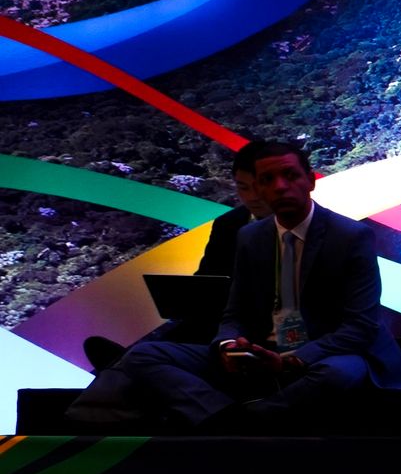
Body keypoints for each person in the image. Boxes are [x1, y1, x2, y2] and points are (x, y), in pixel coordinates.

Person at [69, 136, 401, 429]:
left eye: (290, 176)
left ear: (310, 180)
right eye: (267, 180)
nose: (279, 187)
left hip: (322, 354)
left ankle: (241, 421)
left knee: (340, 374)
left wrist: (292, 360)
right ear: (258, 188)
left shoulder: (351, 236)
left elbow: (360, 328)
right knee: (145, 355)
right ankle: (222, 417)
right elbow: (234, 313)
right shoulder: (250, 236)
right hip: (261, 351)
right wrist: (228, 345)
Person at [77, 158, 272, 377]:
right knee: (183, 329)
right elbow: (208, 273)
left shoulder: (303, 225)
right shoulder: (229, 222)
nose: (253, 196)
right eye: (243, 187)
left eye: (259, 187)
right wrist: (193, 294)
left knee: (166, 349)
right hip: (221, 313)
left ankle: (121, 368)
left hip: (263, 320)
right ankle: (123, 366)